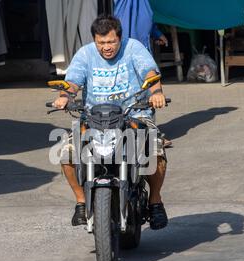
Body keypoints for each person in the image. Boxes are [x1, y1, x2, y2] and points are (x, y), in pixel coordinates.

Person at [53, 15, 169, 231]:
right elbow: (72, 81)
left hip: (134, 114)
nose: (106, 47)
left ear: (120, 38)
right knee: (66, 153)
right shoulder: (85, 54)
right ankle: (81, 201)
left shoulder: (133, 48)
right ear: (94, 40)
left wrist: (157, 93)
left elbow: (150, 73)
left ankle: (155, 202)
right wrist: (65, 97)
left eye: (111, 42)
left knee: (156, 152)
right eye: (101, 43)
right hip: (94, 118)